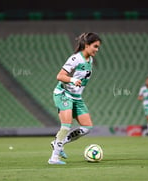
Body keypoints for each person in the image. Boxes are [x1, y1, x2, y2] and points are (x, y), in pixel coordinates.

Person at [48, 32, 102, 164]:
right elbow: (60, 76)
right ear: (87, 45)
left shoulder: (90, 60)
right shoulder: (75, 59)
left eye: (98, 47)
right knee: (66, 126)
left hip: (77, 97)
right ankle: (54, 158)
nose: (97, 50)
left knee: (87, 127)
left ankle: (59, 142)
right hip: (64, 94)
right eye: (95, 46)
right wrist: (72, 80)